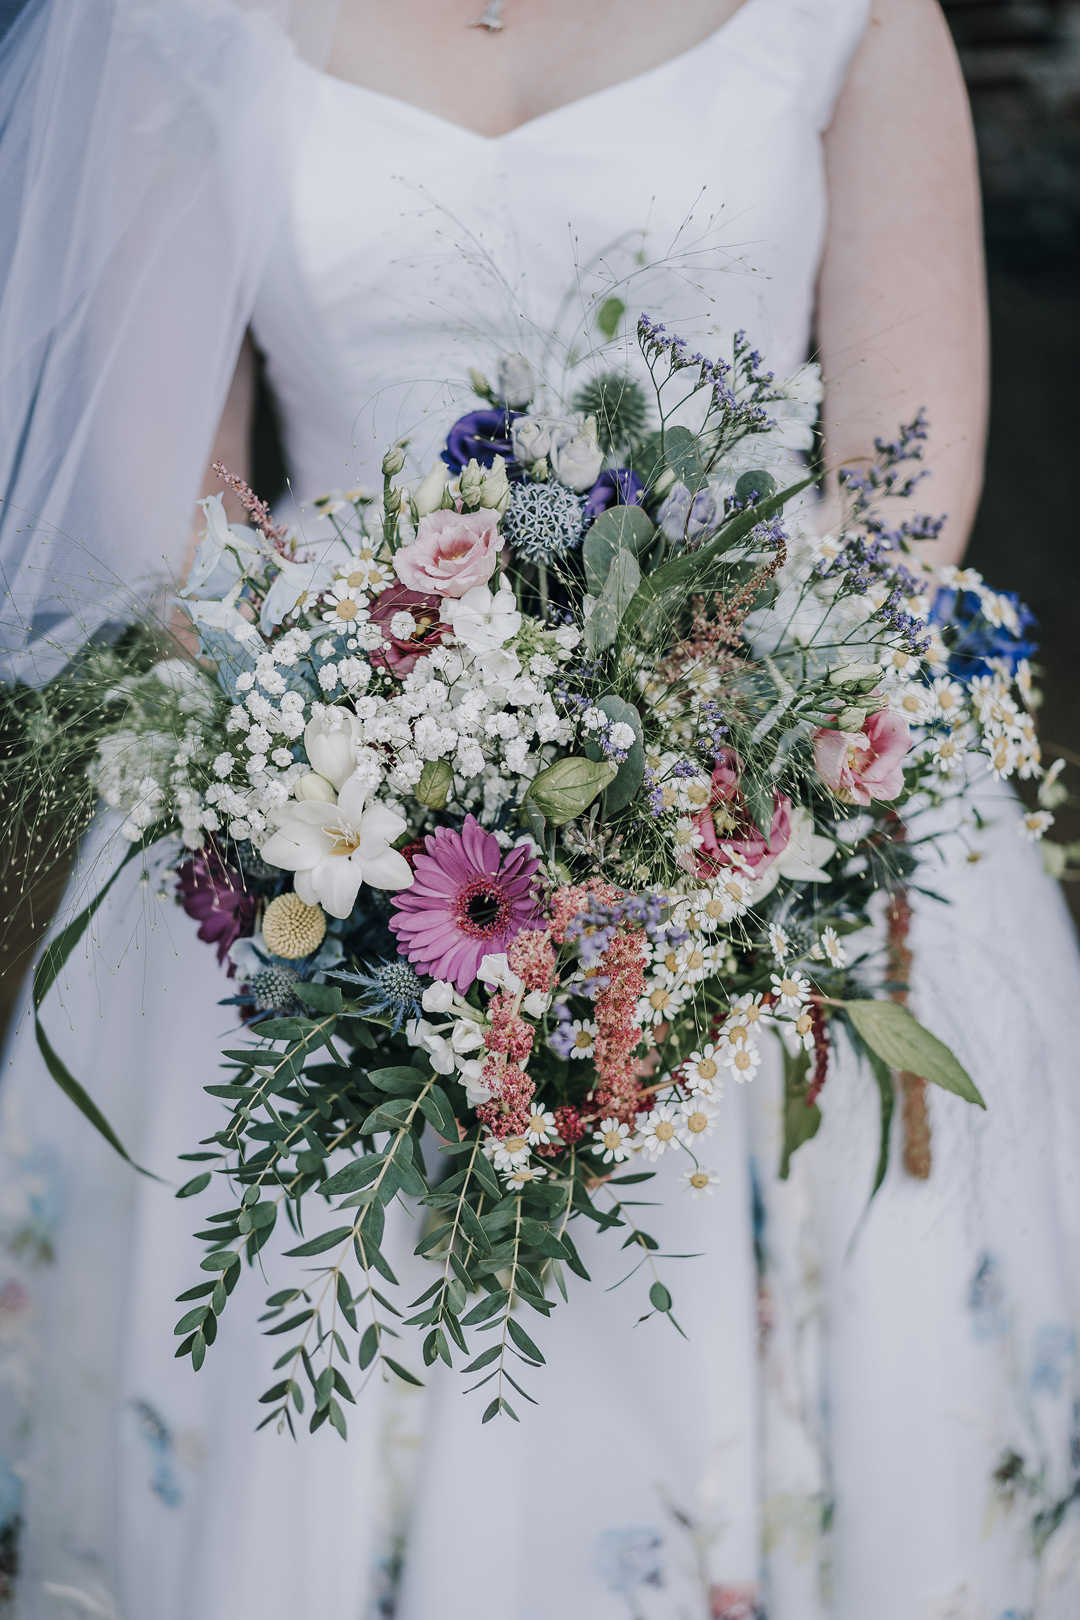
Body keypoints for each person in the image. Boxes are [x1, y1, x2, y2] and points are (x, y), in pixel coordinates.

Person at [1, 2, 1079, 1616]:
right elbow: (184, 515)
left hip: (757, 782)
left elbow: (902, 501)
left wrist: (694, 807)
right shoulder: (186, 23)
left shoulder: (852, 13)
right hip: (324, 797)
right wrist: (360, 765)